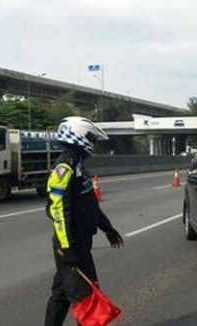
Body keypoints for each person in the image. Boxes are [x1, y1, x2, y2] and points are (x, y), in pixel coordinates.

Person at [44, 117, 124, 326]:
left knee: (61, 294)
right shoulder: (64, 168)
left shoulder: (78, 166)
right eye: (91, 139)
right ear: (78, 136)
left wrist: (108, 228)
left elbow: (90, 205)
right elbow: (59, 212)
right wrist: (68, 249)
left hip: (80, 242)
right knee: (88, 296)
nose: (93, 145)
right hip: (70, 244)